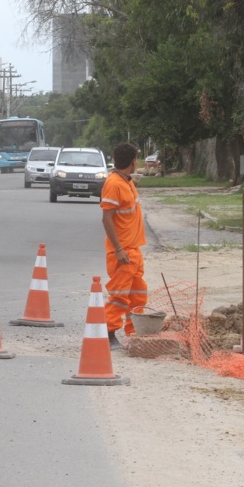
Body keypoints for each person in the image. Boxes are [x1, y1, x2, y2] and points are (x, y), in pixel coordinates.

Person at [100, 142, 146, 350]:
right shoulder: (114, 184)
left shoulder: (127, 181)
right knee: (119, 295)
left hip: (133, 251)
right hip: (122, 252)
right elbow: (106, 219)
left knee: (138, 294)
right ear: (133, 161)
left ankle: (134, 332)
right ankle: (106, 333)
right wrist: (118, 249)